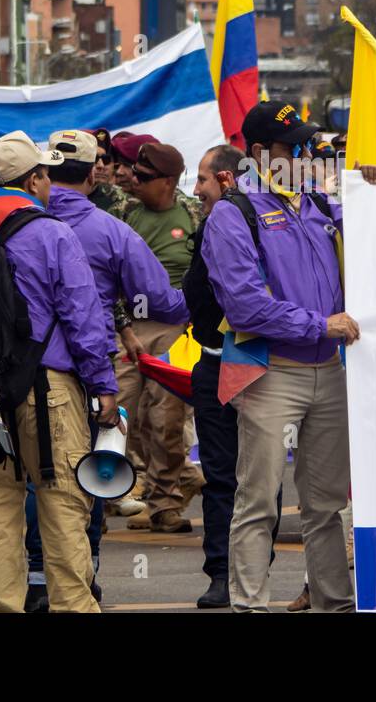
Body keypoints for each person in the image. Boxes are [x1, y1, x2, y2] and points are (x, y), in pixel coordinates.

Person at [202, 100, 360, 612]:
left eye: (305, 145)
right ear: (257, 152)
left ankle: (334, 602)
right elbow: (246, 307)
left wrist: (373, 184)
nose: (303, 153)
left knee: (329, 504)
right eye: (291, 147)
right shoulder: (233, 213)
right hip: (271, 370)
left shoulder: (318, 202)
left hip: (330, 369)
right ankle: (250, 605)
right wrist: (322, 324)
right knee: (258, 499)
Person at [0, 130, 118, 613]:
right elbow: (84, 318)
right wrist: (104, 388)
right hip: (49, 391)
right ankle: (74, 606)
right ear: (35, 179)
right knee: (63, 508)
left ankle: (2, 609)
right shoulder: (54, 233)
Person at [44, 129, 187, 509]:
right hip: (90, 365)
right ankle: (82, 552)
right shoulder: (112, 230)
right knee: (85, 469)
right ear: (93, 174)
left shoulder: (7, 222)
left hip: (21, 367)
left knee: (35, 477)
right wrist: (197, 303)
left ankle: (37, 565)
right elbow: (158, 298)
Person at [185, 143, 284, 609]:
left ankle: (254, 571)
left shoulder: (260, 223)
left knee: (260, 478)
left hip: (258, 362)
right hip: (211, 365)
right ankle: (222, 572)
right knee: (221, 476)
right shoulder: (208, 225)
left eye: (202, 179)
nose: (196, 188)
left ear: (225, 180)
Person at [121, 142, 206, 532]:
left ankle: (164, 504)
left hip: (176, 329)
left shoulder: (193, 214)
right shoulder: (123, 213)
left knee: (166, 419)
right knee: (123, 415)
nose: (133, 181)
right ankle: (178, 477)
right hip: (127, 328)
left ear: (169, 182)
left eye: (144, 177)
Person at [88, 128, 130, 219]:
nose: (101, 166)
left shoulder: (120, 199)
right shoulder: (51, 195)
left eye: (106, 160)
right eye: (93, 159)